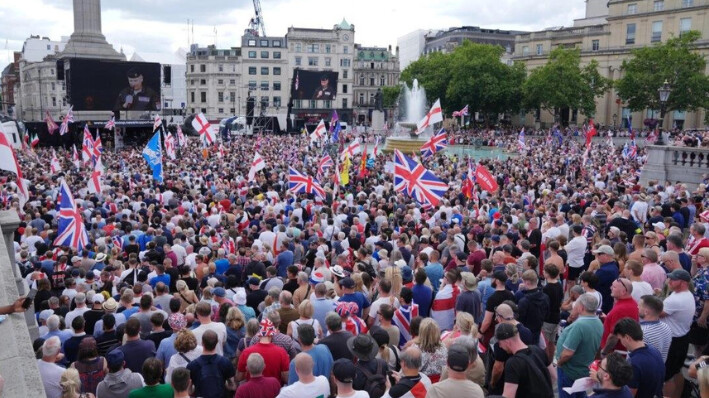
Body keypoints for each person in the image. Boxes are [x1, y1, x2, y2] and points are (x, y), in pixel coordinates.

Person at [555, 293, 603, 398]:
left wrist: (559, 363)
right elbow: (598, 347)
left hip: (570, 370)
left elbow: (567, 353)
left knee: (568, 394)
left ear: (581, 308)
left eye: (576, 305)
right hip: (584, 369)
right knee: (580, 393)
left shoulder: (579, 326)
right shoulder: (598, 322)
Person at [662, 269, 696, 398]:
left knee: (667, 377)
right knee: (677, 371)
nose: (669, 281)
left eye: (673, 279)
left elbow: (655, 314)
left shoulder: (676, 299)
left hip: (673, 341)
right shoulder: (686, 294)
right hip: (682, 337)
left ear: (683, 283)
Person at [496, 322, 555, 398]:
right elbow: (553, 376)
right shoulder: (537, 350)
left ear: (507, 341)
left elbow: (508, 396)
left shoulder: (513, 363)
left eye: (500, 343)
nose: (500, 346)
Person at [612, 318, 665, 398]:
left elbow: (628, 395)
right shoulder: (654, 350)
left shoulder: (634, 364)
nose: (621, 343)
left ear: (627, 338)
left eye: (620, 339)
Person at [236, 318, 289, 385]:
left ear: (259, 334)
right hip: (274, 390)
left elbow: (239, 377)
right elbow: (286, 378)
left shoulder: (246, 352)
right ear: (272, 334)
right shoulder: (282, 352)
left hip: (253, 391)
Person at [186, 329, 236, 397]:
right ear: (217, 342)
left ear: (202, 343)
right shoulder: (226, 362)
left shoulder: (191, 366)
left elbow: (189, 391)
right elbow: (232, 386)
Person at [600, 278, 639, 356]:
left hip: (614, 353)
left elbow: (614, 336)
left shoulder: (621, 309)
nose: (610, 288)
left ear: (623, 292)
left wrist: (604, 352)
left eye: (614, 287)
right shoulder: (631, 302)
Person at [517, 269, 549, 345]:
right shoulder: (545, 297)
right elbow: (547, 315)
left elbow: (520, 320)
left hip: (525, 333)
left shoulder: (524, 301)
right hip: (538, 330)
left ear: (526, 282)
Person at [594, 245, 620, 314]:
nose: (597, 256)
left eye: (599, 254)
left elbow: (591, 284)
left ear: (606, 255)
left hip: (602, 304)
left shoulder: (604, 271)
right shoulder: (614, 266)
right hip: (608, 302)